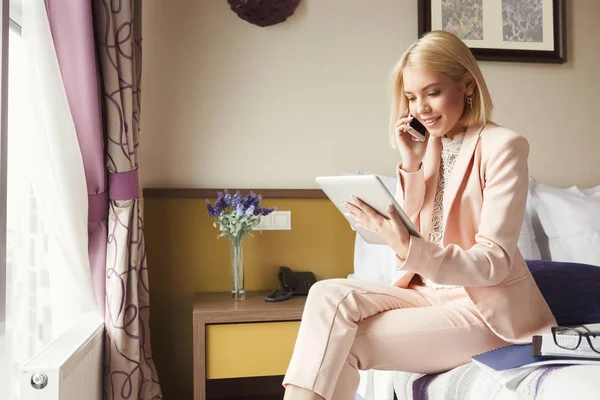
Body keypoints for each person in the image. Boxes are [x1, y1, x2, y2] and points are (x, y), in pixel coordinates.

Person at [281, 30, 557, 400]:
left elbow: (494, 262)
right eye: (411, 97)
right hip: (427, 294)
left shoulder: (504, 146)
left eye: (432, 92)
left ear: (468, 86)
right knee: (326, 295)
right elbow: (409, 238)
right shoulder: (430, 146)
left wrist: (405, 243)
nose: (420, 109)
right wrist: (410, 163)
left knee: (338, 341)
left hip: (482, 311)